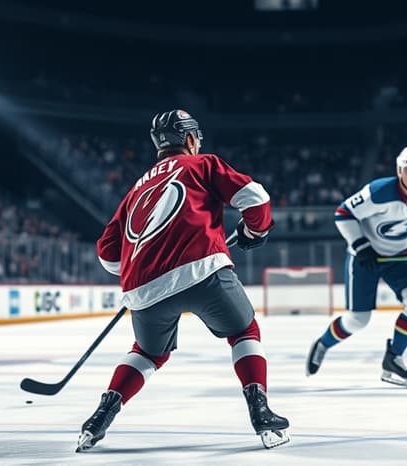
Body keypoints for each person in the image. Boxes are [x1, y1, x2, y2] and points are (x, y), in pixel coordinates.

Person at [78, 109, 289, 452]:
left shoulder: (137, 187)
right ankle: (260, 411)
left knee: (147, 353)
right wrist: (255, 230)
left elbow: (108, 255)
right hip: (203, 272)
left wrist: (144, 267)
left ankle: (99, 418)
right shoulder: (202, 164)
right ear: (190, 139)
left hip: (144, 291)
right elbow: (256, 198)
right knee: (243, 331)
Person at [306, 147, 407, 388]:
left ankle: (394, 358)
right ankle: (323, 343)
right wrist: (361, 246)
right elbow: (343, 213)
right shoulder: (378, 192)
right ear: (399, 170)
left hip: (401, 256)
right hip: (366, 258)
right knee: (358, 320)